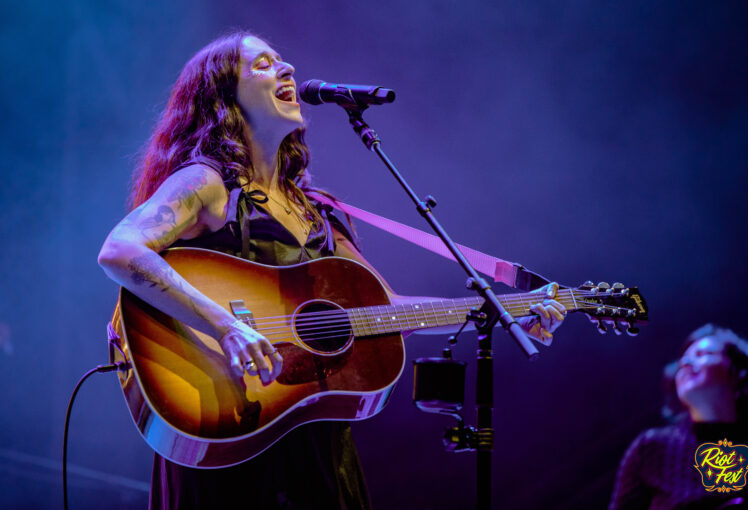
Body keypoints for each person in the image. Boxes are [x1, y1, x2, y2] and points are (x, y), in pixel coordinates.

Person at [97, 30, 568, 510]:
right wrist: (227, 325)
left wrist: (500, 311)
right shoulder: (206, 182)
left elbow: (387, 308)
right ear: (223, 98)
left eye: (282, 61)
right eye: (261, 65)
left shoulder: (315, 212)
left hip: (314, 441)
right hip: (228, 422)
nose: (287, 70)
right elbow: (121, 249)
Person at [609, 324, 748, 510]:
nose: (686, 363)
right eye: (683, 360)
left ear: (738, 372)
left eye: (701, 355)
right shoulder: (651, 448)